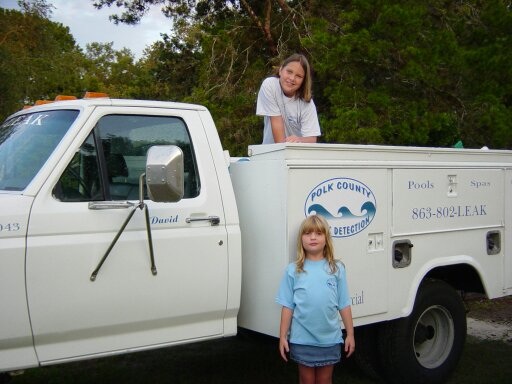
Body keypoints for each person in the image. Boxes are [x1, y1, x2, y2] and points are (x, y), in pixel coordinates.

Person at [276, 215, 355, 384]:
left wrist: (350, 334)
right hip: (302, 339)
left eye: (318, 233)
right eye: (307, 233)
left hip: (329, 339)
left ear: (326, 239)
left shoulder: (337, 269)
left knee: (325, 380)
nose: (313, 237)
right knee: (306, 380)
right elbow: (287, 307)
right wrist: (283, 336)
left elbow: (344, 303)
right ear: (301, 239)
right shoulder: (293, 270)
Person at [256, 54, 321, 144]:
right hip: (271, 153)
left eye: (298, 76)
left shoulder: (307, 103)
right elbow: (280, 142)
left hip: (297, 155)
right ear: (280, 70)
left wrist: (299, 140)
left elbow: (312, 139)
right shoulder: (270, 85)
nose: (292, 78)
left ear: (304, 81)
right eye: (289, 72)